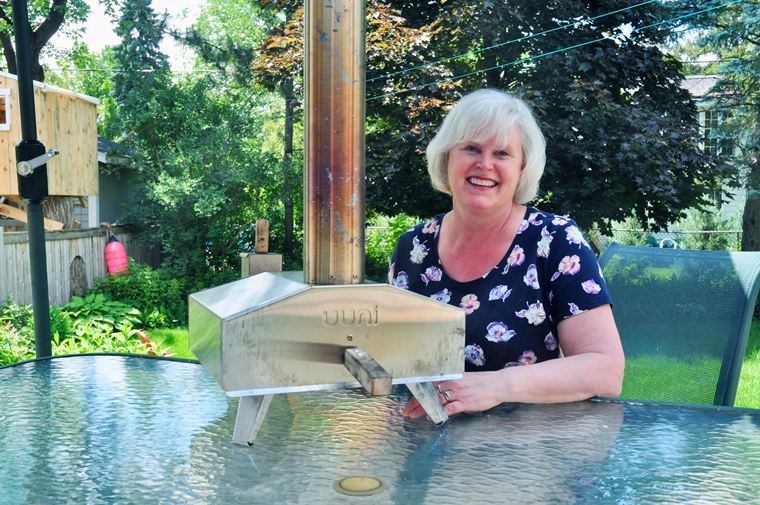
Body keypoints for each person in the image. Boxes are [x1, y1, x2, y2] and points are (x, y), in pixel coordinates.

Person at [388, 89, 624, 419]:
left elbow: (606, 370)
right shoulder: (413, 247)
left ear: (522, 168)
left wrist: (499, 385)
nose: (484, 164)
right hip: (426, 444)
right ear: (447, 158)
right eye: (471, 148)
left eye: (502, 153)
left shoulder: (555, 241)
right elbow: (391, 363)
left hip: (529, 451)